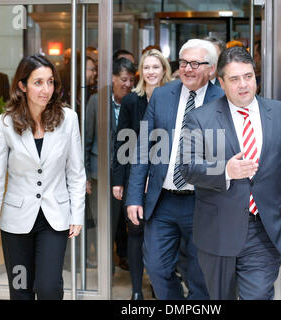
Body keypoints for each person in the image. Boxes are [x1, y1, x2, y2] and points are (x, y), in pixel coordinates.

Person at [179, 46, 281, 300]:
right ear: (221, 82)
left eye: (248, 76)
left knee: (258, 295)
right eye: (235, 79)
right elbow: (188, 168)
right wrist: (225, 170)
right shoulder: (200, 118)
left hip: (264, 229)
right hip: (218, 230)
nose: (243, 85)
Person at [125, 39, 224, 300]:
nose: (188, 69)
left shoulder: (223, 100)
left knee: (200, 274)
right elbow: (143, 147)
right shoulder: (162, 95)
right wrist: (135, 196)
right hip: (163, 200)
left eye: (195, 63)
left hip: (203, 202)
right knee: (156, 267)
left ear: (211, 69)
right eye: (183, 63)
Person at [0, 54, 86, 300]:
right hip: (16, 221)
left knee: (50, 287)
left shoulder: (68, 119)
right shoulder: (4, 124)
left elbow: (76, 172)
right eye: (38, 82)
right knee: (21, 288)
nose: (46, 89)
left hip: (55, 218)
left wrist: (76, 213)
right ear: (22, 85)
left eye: (50, 82)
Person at [113, 49, 172, 300]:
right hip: (134, 176)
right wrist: (118, 181)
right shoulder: (131, 101)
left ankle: (161, 288)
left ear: (164, 71)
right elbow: (121, 143)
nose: (150, 72)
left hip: (165, 179)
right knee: (135, 234)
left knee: (162, 235)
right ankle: (137, 290)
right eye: (146, 67)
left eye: (155, 67)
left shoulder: (175, 98)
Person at [85, 58, 136, 273]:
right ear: (113, 78)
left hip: (128, 174)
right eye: (123, 79)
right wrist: (85, 175)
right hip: (100, 173)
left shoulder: (134, 101)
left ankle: (122, 258)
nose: (127, 84)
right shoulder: (97, 101)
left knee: (125, 224)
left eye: (131, 80)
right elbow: (86, 138)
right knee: (102, 220)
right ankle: (106, 266)